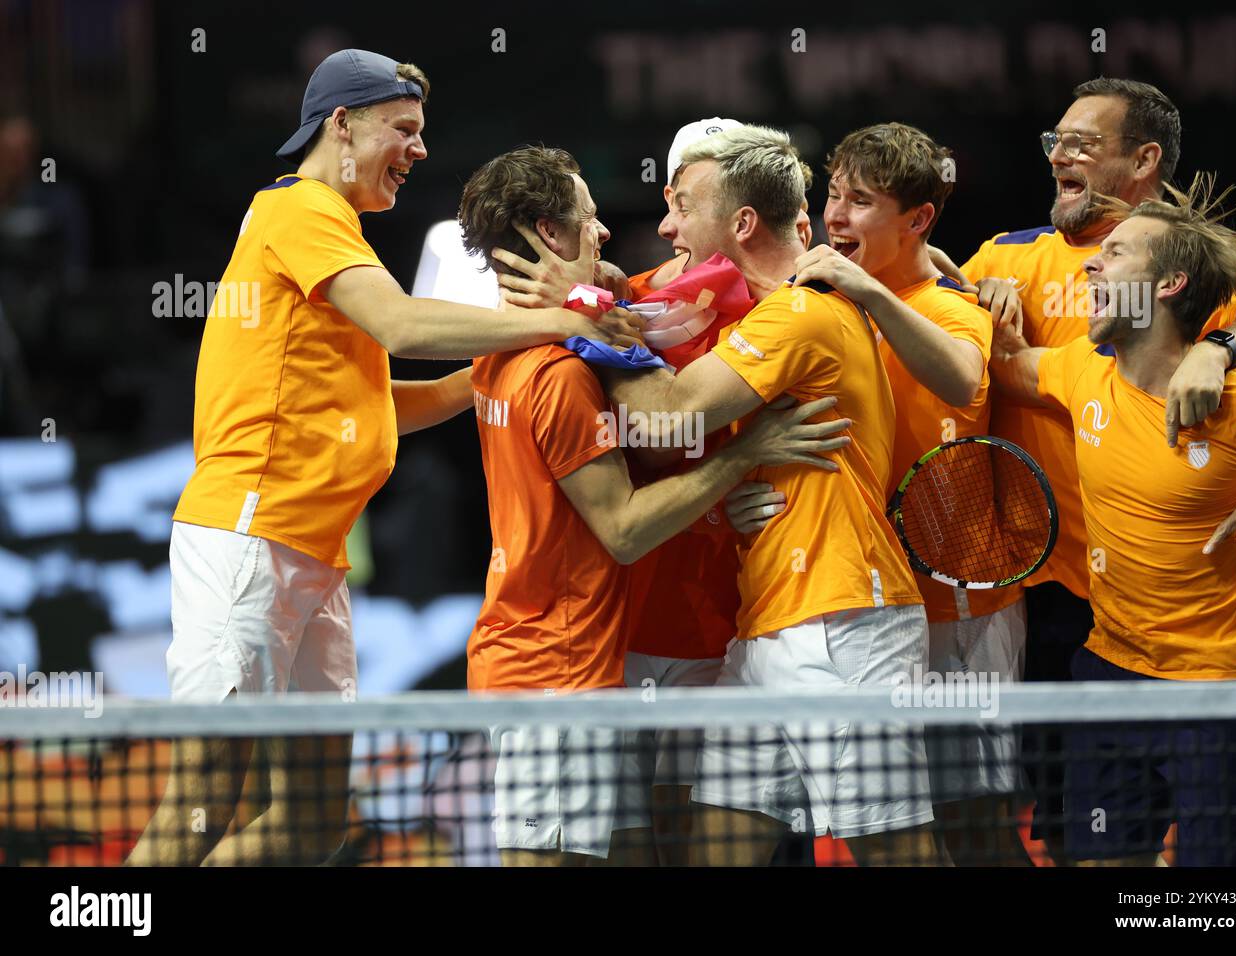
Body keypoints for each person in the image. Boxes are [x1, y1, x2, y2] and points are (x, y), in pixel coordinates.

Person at [127, 50, 642, 868]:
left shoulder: (331, 234)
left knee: (314, 819)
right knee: (200, 802)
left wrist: (497, 371)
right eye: (403, 129)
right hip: (247, 540)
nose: (421, 148)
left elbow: (382, 402)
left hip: (314, 558)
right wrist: (557, 324)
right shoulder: (300, 209)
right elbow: (403, 327)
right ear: (342, 124)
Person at [456, 144, 851, 866]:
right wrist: (743, 454)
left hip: (565, 661)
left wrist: (592, 302)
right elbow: (627, 528)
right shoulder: (561, 377)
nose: (606, 233)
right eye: (589, 218)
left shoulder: (500, 350)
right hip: (557, 671)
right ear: (550, 233)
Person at [596, 125, 979, 866]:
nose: (671, 229)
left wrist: (593, 328)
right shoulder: (794, 304)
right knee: (718, 849)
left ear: (740, 223)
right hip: (769, 619)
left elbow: (668, 414)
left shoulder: (800, 314)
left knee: (899, 854)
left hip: (844, 621)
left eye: (686, 209)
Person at [959, 77, 1236, 859]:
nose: (1059, 156)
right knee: (1091, 850)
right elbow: (984, 349)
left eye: (1083, 142)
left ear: (1144, 160)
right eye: (1056, 141)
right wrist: (970, 297)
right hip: (1089, 647)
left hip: (1219, 680)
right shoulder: (1067, 338)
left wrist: (1222, 358)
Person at [788, 122, 1031, 865]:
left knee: (978, 834)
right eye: (833, 195)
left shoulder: (954, 307)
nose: (835, 216)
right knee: (881, 829)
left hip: (960, 611)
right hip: (868, 613)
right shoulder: (825, 301)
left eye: (860, 202)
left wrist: (866, 289)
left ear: (918, 219)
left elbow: (960, 376)